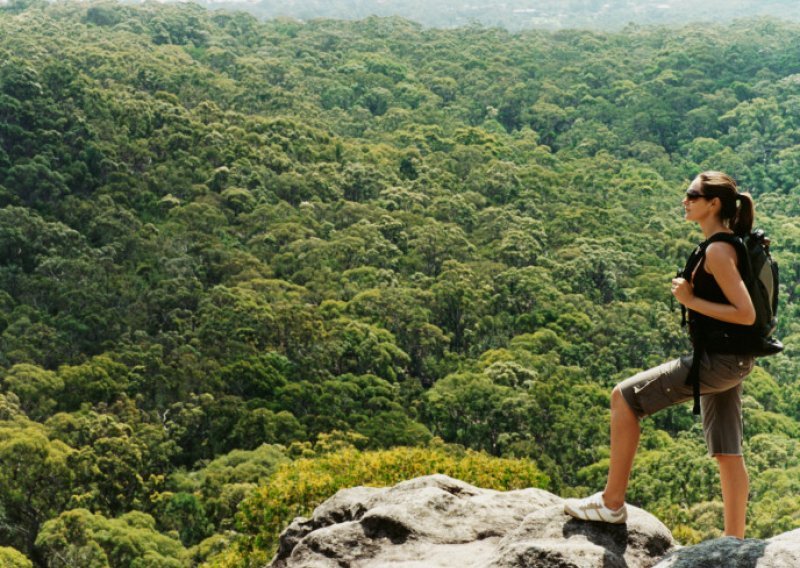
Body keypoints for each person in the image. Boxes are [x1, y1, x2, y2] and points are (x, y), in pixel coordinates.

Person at [564, 171, 757, 539]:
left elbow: (745, 314)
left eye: (692, 195)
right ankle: (735, 543)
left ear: (713, 203)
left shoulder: (718, 250)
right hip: (733, 360)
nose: (684, 200)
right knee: (727, 451)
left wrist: (690, 300)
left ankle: (611, 503)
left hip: (719, 361)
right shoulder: (728, 243)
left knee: (624, 397)